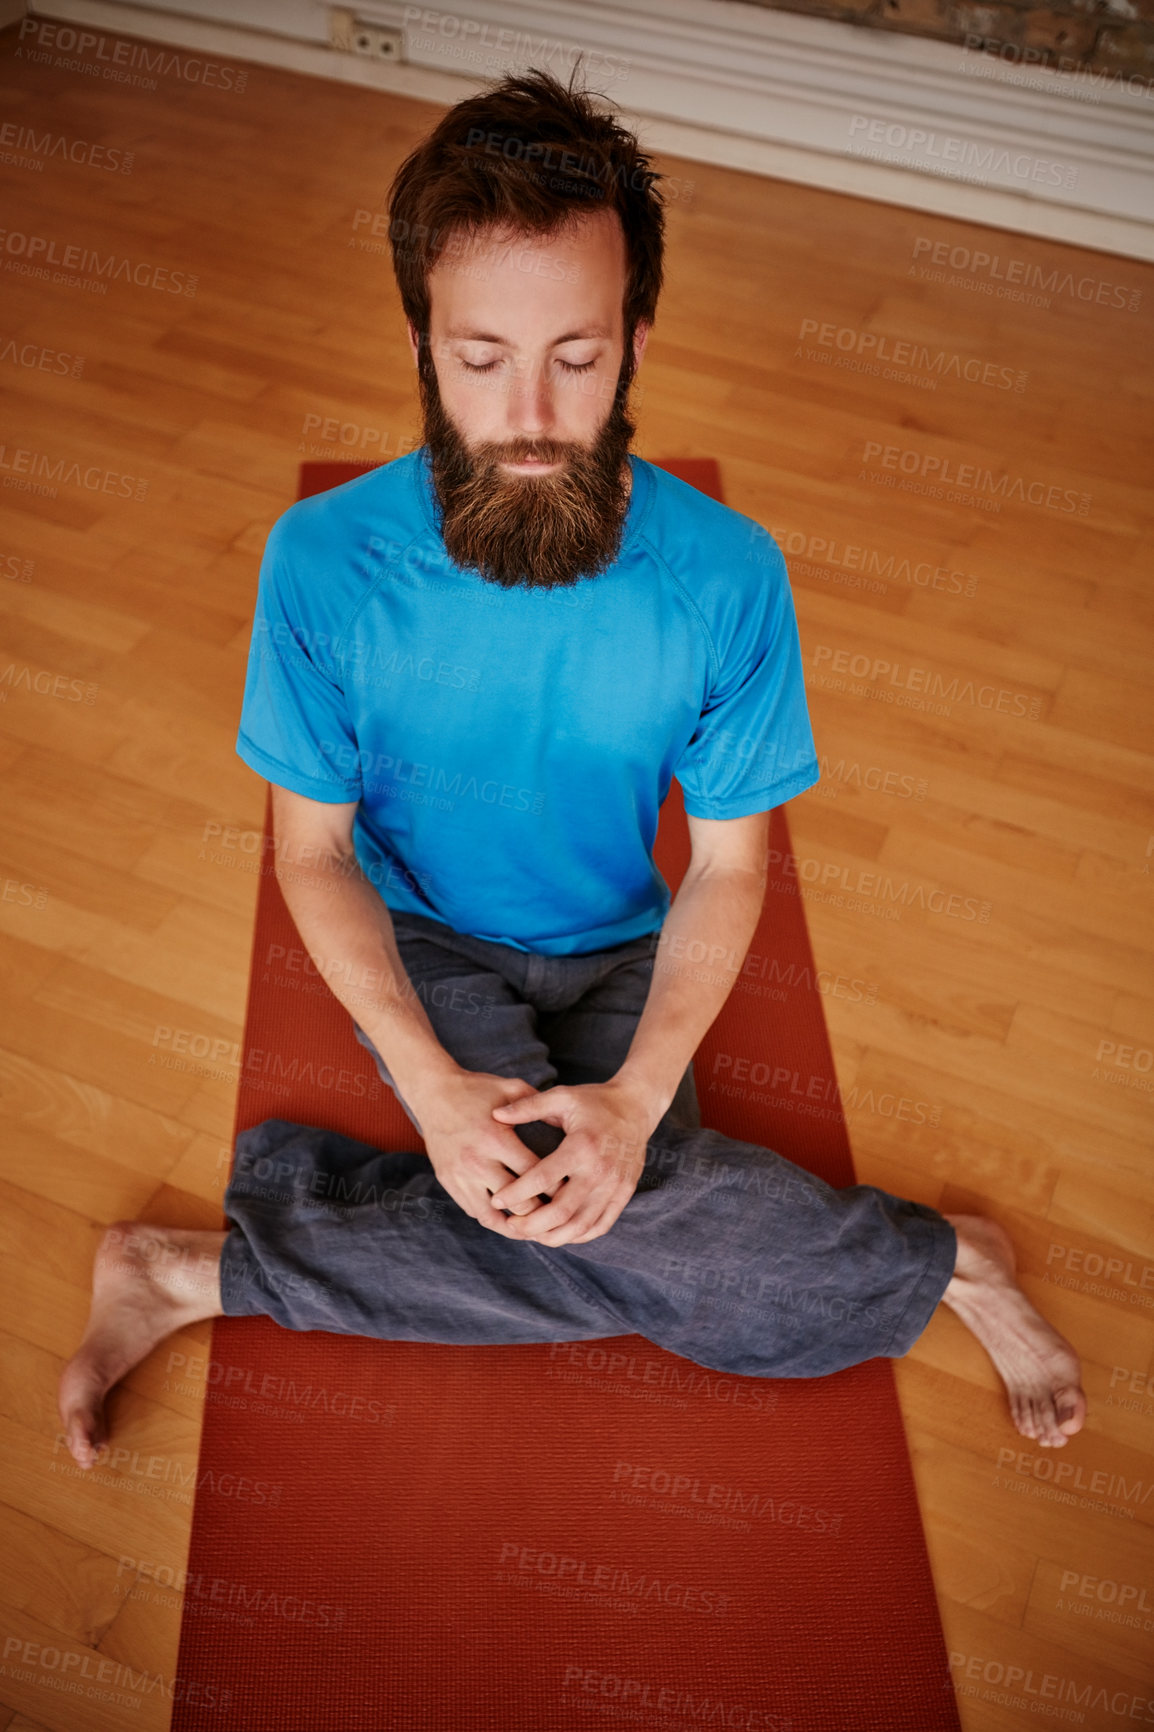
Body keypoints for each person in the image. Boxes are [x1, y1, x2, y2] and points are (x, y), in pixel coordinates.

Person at [58, 65, 1086, 1468]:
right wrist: (424, 1078)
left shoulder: (728, 576)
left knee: (600, 1203)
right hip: (426, 938)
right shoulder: (321, 565)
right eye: (480, 358)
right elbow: (308, 851)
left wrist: (640, 1093)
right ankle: (933, 1264)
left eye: (577, 356)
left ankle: (194, 1272)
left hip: (619, 944)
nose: (531, 416)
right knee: (632, 1233)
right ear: (423, 344)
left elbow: (728, 864)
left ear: (637, 338)